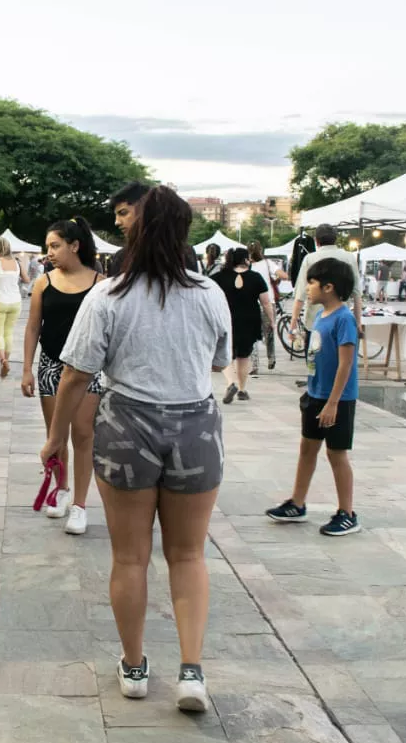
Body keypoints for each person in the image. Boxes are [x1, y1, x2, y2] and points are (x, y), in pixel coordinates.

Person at [40, 187, 230, 712]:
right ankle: (191, 671)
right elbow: (219, 360)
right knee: (189, 554)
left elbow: (77, 374)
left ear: (135, 233)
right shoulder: (210, 293)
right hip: (196, 425)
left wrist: (55, 438)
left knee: (129, 557)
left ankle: (134, 666)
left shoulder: (109, 295)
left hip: (127, 427)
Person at [267, 258, 362, 537]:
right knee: (307, 448)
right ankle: (297, 503)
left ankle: (347, 512)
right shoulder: (321, 315)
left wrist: (333, 402)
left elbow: (346, 364)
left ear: (329, 287)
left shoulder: (344, 319)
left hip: (338, 399)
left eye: (311, 282)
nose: (307, 288)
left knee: (336, 453)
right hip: (316, 393)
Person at [22, 218, 104, 535]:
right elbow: (32, 327)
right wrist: (27, 368)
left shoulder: (100, 282)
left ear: (75, 245)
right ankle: (62, 488)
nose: (50, 253)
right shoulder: (44, 282)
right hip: (51, 366)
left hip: (87, 371)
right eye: (48, 247)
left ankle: (81, 506)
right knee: (56, 435)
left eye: (55, 246)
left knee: (83, 435)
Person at [211, 247, 273, 403]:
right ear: (246, 260)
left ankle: (231, 382)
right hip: (249, 320)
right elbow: (266, 302)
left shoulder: (218, 277)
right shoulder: (256, 277)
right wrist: (272, 321)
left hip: (226, 319)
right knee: (243, 356)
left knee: (226, 353)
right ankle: (242, 389)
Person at [288, 224, 363, 349]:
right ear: (335, 239)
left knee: (315, 361)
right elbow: (357, 293)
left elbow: (300, 294)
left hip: (315, 322)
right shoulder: (349, 258)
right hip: (342, 319)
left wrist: (293, 323)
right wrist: (358, 323)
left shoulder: (310, 259)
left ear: (316, 241)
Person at [107, 181, 199, 276]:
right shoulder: (122, 257)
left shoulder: (185, 253)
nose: (117, 222)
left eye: (123, 213)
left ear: (145, 209)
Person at [0, 237, 29, 377]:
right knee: (9, 332)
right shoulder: (17, 262)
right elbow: (26, 280)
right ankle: (6, 359)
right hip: (15, 302)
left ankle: (2, 361)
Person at [248, 242, 286, 372]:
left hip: (253, 303)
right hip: (269, 302)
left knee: (252, 335)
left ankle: (254, 365)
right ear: (261, 250)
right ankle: (271, 358)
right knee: (269, 332)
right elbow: (283, 275)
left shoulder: (248, 266)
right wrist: (277, 279)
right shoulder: (268, 263)